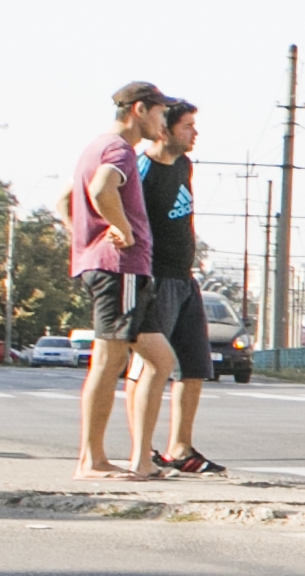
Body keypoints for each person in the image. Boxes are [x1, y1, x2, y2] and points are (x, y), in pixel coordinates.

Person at [63, 82, 172, 478]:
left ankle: (141, 461)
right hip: (119, 268)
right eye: (161, 112)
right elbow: (100, 189)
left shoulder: (95, 146)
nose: (164, 119)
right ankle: (90, 461)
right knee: (108, 362)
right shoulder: (119, 150)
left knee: (161, 361)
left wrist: (84, 238)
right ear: (140, 110)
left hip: (121, 268)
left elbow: (66, 201)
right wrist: (120, 229)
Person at [135, 99, 223, 473]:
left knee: (194, 365)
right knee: (150, 367)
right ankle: (141, 451)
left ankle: (181, 448)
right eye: (187, 126)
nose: (195, 133)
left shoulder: (184, 165)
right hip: (154, 278)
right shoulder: (142, 170)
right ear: (165, 129)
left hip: (185, 278)